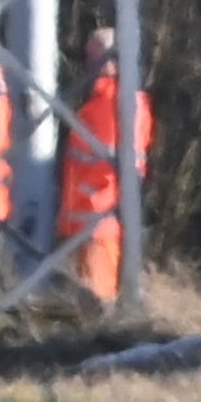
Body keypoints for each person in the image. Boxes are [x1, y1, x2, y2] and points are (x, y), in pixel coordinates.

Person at [66, 24, 134, 303]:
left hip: (99, 220)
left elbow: (126, 168)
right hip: (84, 220)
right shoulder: (99, 103)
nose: (88, 64)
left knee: (97, 301)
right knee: (85, 300)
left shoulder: (119, 104)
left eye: (95, 57)